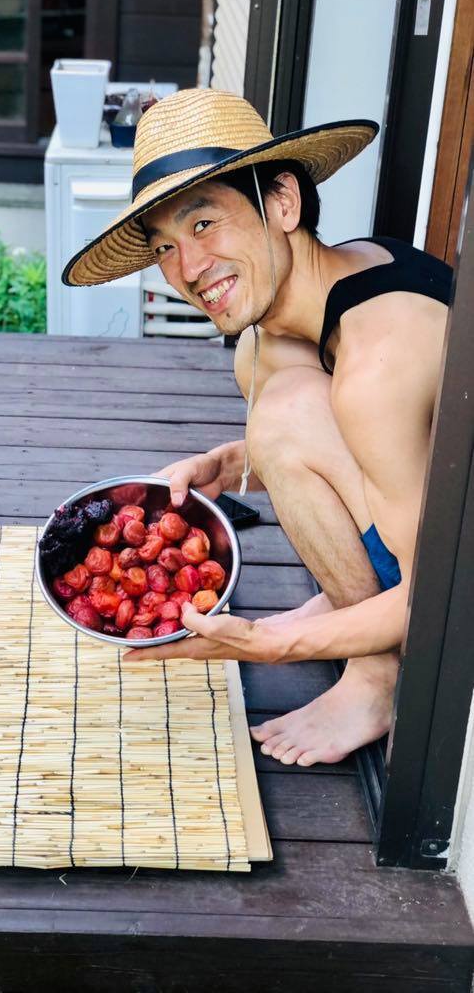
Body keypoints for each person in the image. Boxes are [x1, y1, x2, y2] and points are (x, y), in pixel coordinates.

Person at [62, 88, 452, 768]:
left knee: (285, 409)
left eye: (205, 223)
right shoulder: (345, 272)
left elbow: (439, 593)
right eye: (165, 247)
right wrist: (228, 465)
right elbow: (391, 447)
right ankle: (347, 604)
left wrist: (274, 645)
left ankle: (377, 678)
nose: (188, 270)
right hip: (440, 513)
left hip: (453, 588)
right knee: (269, 371)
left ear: (284, 203)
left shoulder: (378, 359)